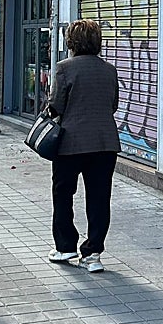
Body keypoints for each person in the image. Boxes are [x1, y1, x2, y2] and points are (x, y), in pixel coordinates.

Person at [46, 19, 120, 273]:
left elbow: (57, 105)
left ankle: (66, 245)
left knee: (63, 194)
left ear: (71, 41)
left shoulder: (64, 68)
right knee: (99, 198)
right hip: (105, 143)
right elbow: (113, 105)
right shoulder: (109, 70)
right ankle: (93, 254)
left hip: (71, 144)